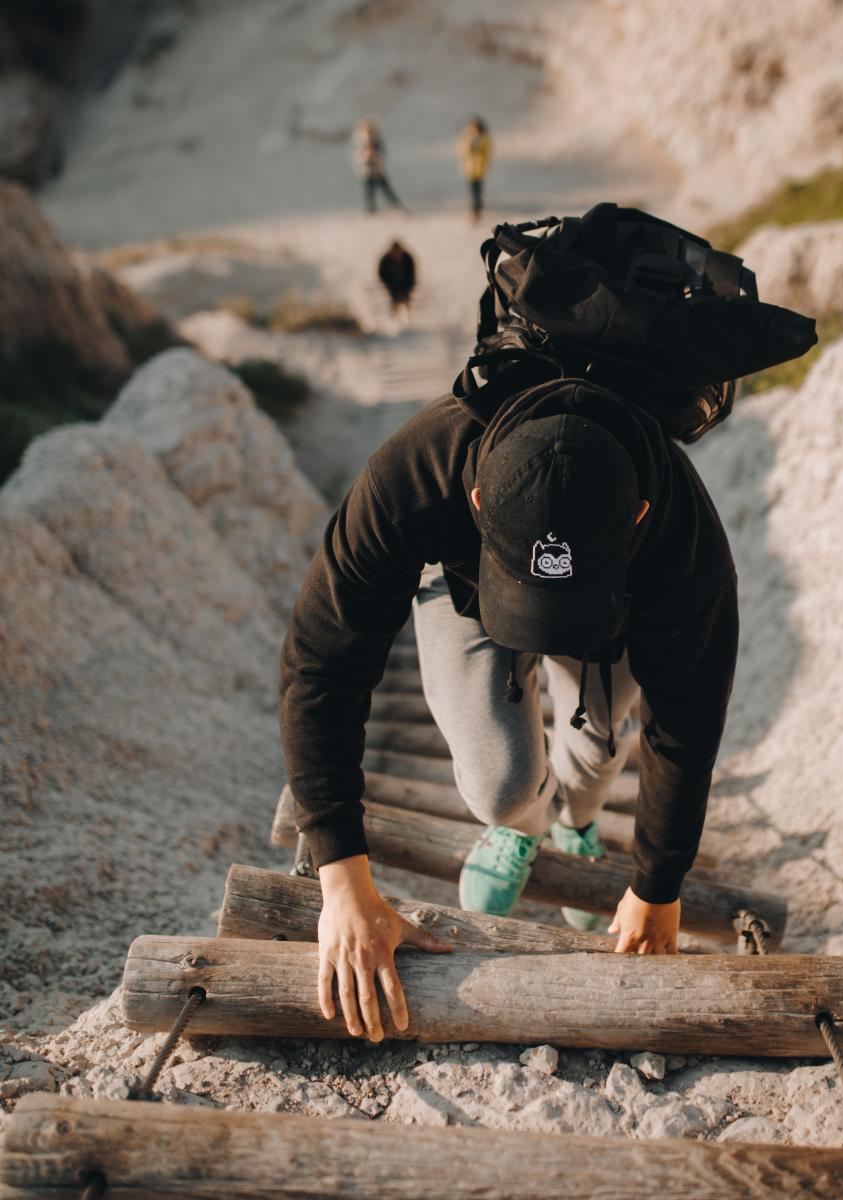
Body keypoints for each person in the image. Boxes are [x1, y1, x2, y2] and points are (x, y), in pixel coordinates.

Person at [279, 204, 815, 1042]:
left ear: (638, 515)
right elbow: (323, 662)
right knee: (495, 784)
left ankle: (575, 825)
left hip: (620, 601)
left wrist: (658, 886)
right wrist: (342, 880)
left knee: (599, 755)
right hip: (461, 585)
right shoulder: (415, 475)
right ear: (479, 500)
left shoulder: (683, 540)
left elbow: (686, 719)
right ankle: (523, 827)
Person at [350, 119, 404, 214]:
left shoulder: (376, 142)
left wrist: (376, 157)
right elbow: (357, 156)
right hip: (367, 171)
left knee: (386, 189)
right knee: (369, 192)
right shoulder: (361, 143)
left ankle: (396, 206)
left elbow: (382, 154)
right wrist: (365, 157)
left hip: (377, 170)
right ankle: (371, 210)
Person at [457, 116, 492, 221]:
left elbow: (487, 152)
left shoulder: (484, 138)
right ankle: (474, 209)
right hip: (470, 170)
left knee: (478, 190)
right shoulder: (467, 137)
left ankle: (477, 209)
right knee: (472, 191)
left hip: (480, 169)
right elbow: (463, 150)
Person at [377, 240, 416, 325]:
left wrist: (409, 288)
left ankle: (408, 320)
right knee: (393, 298)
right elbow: (382, 274)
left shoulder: (408, 259)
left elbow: (412, 276)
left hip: (405, 285)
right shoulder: (385, 260)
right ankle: (394, 318)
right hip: (391, 285)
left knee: (406, 298)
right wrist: (389, 285)